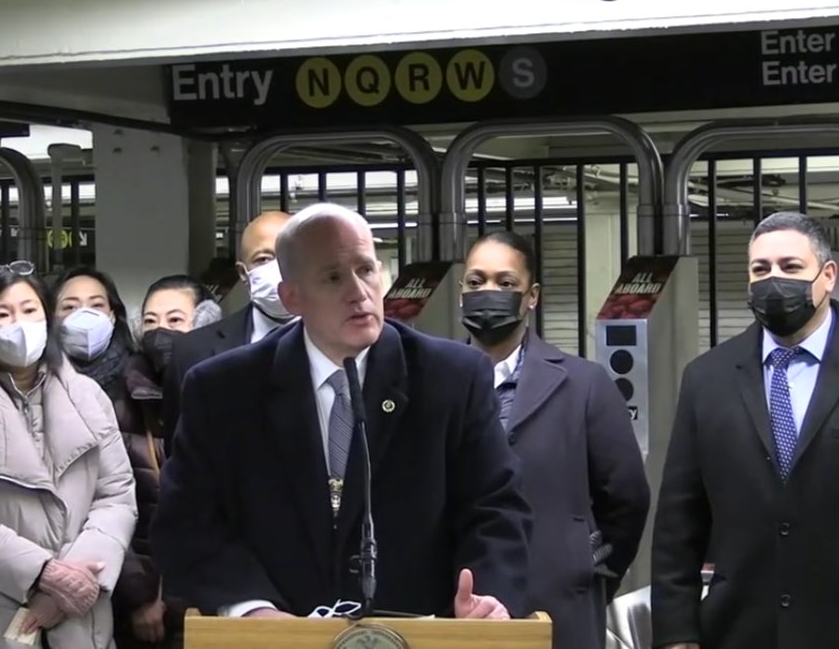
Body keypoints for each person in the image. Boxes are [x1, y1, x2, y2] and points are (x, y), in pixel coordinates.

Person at [151, 202, 533, 619]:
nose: (359, 292)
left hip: (421, 633)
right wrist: (253, 609)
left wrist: (486, 594)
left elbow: (495, 508)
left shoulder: (452, 378)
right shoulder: (223, 391)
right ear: (291, 297)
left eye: (366, 269)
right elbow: (187, 525)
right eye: (333, 277)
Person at [0, 260, 137, 648]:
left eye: (29, 310)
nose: (18, 324)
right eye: (1, 314)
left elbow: (116, 495)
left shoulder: (89, 397)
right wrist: (42, 574)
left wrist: (72, 583)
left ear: (48, 319)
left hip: (78, 614)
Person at [652, 211, 839, 649]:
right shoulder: (707, 378)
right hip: (739, 631)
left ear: (828, 275)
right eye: (761, 269)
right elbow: (679, 525)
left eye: (791, 267)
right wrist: (677, 637)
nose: (773, 280)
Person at [461, 231, 650, 649]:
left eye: (505, 283)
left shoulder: (584, 384)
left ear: (532, 296)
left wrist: (586, 566)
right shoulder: (433, 382)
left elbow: (626, 498)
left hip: (557, 607)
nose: (488, 292)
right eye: (475, 282)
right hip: (456, 609)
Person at [113, 274, 221, 649]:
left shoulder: (231, 393)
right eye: (150, 321)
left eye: (176, 320)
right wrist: (139, 597)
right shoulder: (116, 405)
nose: (161, 332)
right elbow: (105, 504)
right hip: (137, 605)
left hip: (218, 599)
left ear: (207, 323)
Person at [163, 210, 294, 452]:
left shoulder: (345, 341)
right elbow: (180, 453)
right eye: (264, 259)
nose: (279, 268)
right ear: (244, 273)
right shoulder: (192, 350)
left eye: (289, 256)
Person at [52, 266, 136, 401]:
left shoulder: (138, 376)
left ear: (112, 317)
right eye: (70, 307)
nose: (85, 315)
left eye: (96, 305)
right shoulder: (36, 379)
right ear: (53, 318)